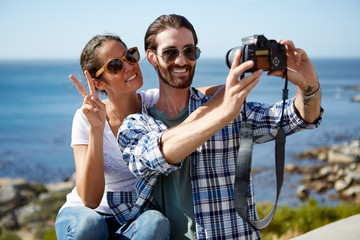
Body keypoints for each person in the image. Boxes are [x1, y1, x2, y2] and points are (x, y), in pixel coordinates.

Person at [108, 14, 323, 239]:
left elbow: (294, 118)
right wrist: (221, 114)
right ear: (151, 57)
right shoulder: (136, 125)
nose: (181, 61)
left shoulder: (229, 107)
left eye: (189, 51)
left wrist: (309, 88)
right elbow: (156, 155)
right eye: (170, 52)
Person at [54, 34, 172, 240]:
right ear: (99, 83)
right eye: (115, 66)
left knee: (156, 222)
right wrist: (96, 129)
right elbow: (89, 200)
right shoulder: (85, 118)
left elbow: (199, 95)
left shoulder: (155, 103)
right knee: (91, 225)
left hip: (132, 215)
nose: (128, 66)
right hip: (85, 215)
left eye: (130, 56)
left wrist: (235, 86)